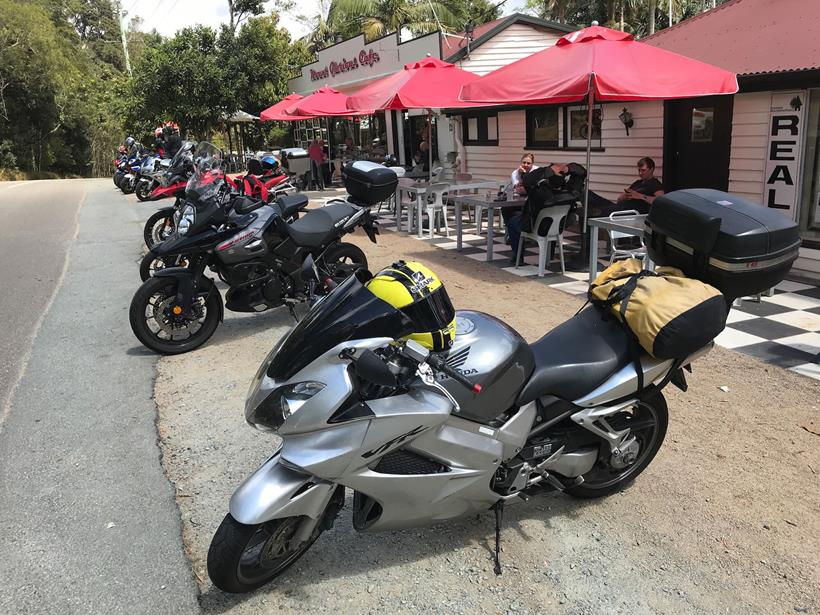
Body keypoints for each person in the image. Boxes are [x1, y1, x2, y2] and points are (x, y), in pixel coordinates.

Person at [588, 157, 664, 216]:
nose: (640, 173)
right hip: (619, 207)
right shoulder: (638, 182)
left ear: (651, 169)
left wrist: (641, 196)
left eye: (643, 170)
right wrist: (624, 196)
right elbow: (619, 199)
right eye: (639, 170)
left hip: (630, 212)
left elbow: (661, 201)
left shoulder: (654, 183)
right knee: (588, 195)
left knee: (593, 212)